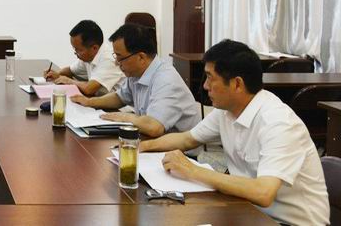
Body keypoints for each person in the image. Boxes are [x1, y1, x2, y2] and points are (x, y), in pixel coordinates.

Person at [140, 40, 329, 226]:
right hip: (249, 212)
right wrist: (140, 147)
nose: (205, 86)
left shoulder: (278, 123)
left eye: (210, 78)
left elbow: (263, 193)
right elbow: (187, 139)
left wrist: (192, 170)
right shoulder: (227, 111)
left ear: (237, 84)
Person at [72, 23, 200, 137]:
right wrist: (90, 102)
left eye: (120, 58)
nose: (116, 63)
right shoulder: (136, 73)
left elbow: (154, 127)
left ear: (141, 57)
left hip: (180, 151)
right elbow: (119, 97)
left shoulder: (166, 80)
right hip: (152, 139)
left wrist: (125, 117)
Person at [43, 20, 123, 96]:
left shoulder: (109, 59)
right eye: (74, 49)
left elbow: (89, 89)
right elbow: (70, 70)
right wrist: (56, 74)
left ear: (94, 48)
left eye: (79, 50)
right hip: (99, 100)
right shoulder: (89, 56)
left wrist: (68, 81)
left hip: (117, 105)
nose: (75, 53)